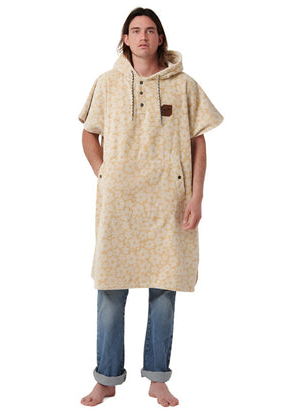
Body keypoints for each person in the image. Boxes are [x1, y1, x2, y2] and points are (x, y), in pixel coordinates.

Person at [78, 7, 224, 407]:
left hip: (168, 200)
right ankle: (107, 378)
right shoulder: (107, 83)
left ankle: (158, 378)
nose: (143, 36)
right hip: (120, 201)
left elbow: (198, 142)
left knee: (164, 287)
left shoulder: (185, 86)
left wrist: (196, 195)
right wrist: (103, 172)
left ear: (161, 38)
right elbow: (89, 133)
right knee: (110, 288)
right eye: (135, 30)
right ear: (125, 39)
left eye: (150, 30)